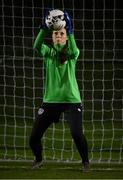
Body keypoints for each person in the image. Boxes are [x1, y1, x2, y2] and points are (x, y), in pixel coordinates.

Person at [29, 10, 89, 171]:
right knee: (33, 137)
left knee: (77, 134)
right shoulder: (48, 52)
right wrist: (44, 28)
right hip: (50, 102)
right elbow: (36, 45)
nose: (58, 36)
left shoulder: (71, 53)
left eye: (61, 34)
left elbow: (75, 50)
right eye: (56, 34)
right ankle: (39, 159)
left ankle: (85, 162)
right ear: (52, 36)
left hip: (71, 101)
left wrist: (70, 32)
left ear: (66, 36)